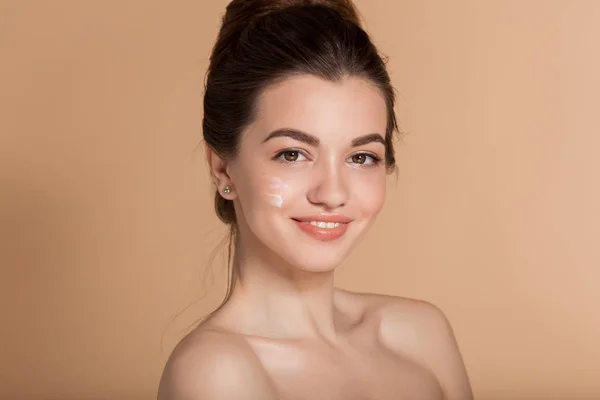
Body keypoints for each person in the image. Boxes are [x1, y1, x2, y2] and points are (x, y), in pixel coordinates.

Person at [158, 0, 473, 398]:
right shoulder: (215, 374)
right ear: (223, 169)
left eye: (361, 157)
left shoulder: (421, 333)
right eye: (292, 154)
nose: (333, 194)